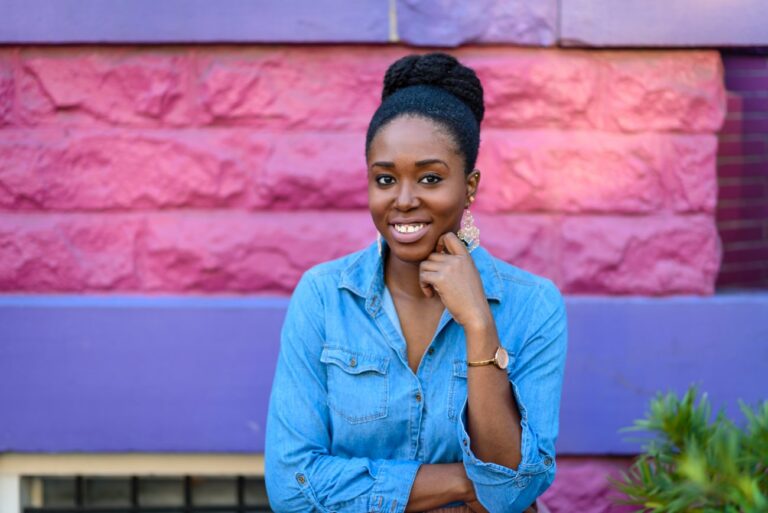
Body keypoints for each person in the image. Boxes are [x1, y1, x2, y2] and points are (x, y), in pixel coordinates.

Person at [264, 52, 567, 513]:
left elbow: (515, 492)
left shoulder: (533, 305)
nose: (403, 201)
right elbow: (292, 486)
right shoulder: (324, 297)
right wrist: (467, 483)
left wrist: (480, 325)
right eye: (385, 179)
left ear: (469, 187)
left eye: (429, 177)